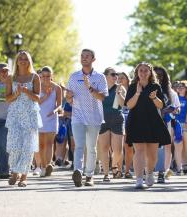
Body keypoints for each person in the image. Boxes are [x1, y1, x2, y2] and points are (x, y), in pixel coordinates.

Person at [124, 62, 171, 189]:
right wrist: (138, 93)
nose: (143, 73)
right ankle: (139, 179)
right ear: (137, 73)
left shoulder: (155, 86)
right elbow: (129, 105)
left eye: (146, 70)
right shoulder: (133, 86)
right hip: (136, 121)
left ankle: (149, 173)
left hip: (153, 121)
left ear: (150, 72)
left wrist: (154, 98)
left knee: (152, 153)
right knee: (139, 150)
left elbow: (161, 106)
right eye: (141, 70)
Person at [66, 49, 108, 187]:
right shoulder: (73, 77)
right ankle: (77, 171)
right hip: (77, 117)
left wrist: (89, 86)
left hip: (94, 118)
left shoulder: (100, 77)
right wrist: (69, 96)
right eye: (82, 56)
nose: (84, 58)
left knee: (91, 148)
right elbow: (69, 100)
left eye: (87, 56)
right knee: (78, 146)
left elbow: (102, 97)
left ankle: (89, 175)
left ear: (93, 59)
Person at [5, 51, 42, 187]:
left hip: (30, 116)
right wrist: (17, 93)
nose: (22, 61)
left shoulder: (35, 77)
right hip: (15, 116)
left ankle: (24, 177)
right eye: (20, 59)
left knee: (28, 147)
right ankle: (15, 172)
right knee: (15, 146)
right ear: (17, 61)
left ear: (29, 61)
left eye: (25, 59)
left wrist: (27, 92)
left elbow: (38, 98)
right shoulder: (11, 77)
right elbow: (7, 99)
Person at [98, 67, 126, 182]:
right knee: (104, 148)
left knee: (118, 150)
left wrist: (118, 93)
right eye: (113, 74)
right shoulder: (100, 88)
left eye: (116, 75)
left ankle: (114, 166)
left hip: (117, 120)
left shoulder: (120, 88)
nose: (116, 77)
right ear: (105, 76)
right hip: (102, 120)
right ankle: (106, 173)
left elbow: (123, 104)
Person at [153, 66, 180, 183]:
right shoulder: (149, 89)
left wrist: (173, 110)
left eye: (161, 75)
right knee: (152, 146)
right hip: (151, 122)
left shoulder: (171, 92)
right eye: (156, 74)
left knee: (167, 147)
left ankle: (163, 171)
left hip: (167, 121)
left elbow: (178, 108)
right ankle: (149, 170)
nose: (159, 77)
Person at [38, 66, 62, 177]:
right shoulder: (37, 87)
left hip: (51, 118)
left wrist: (54, 110)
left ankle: (48, 166)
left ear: (51, 76)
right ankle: (42, 167)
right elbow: (36, 102)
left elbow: (60, 105)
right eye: (43, 76)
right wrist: (46, 95)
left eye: (48, 76)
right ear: (41, 77)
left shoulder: (57, 88)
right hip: (39, 117)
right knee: (41, 145)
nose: (46, 78)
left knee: (49, 143)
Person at [173, 80, 187, 175]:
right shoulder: (174, 98)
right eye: (178, 86)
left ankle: (185, 166)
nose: (180, 88)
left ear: (186, 88)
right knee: (178, 146)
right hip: (176, 125)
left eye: (182, 86)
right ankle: (179, 168)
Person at [118, 71, 133, 178]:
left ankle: (127, 170)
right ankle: (118, 170)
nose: (119, 80)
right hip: (118, 118)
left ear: (127, 79)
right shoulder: (115, 89)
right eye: (118, 78)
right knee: (118, 146)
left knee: (128, 146)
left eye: (122, 78)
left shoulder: (133, 89)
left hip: (131, 119)